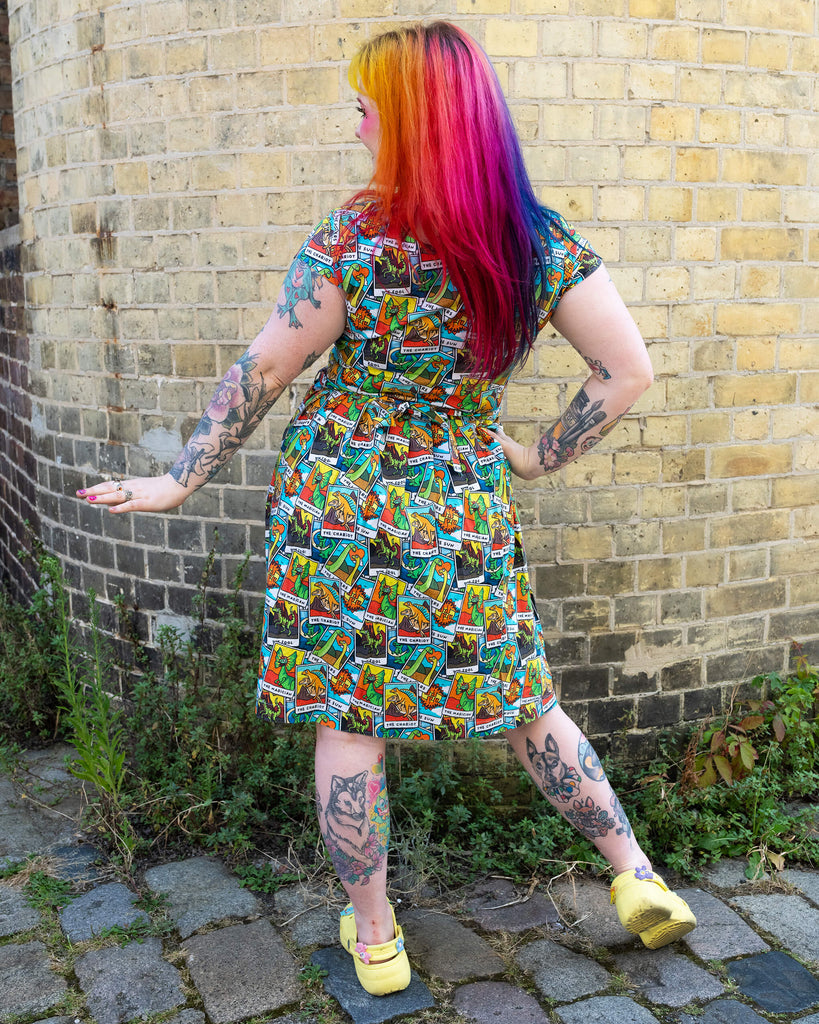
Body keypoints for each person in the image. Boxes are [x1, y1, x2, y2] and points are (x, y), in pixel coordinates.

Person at [77, 22, 695, 998]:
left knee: (350, 722)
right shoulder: (534, 241)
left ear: (408, 119)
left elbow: (265, 370)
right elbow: (625, 371)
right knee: (527, 702)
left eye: (366, 105)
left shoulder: (356, 240)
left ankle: (375, 938)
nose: (355, 121)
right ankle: (637, 876)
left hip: (341, 511)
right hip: (460, 509)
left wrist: (181, 479)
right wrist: (535, 457)